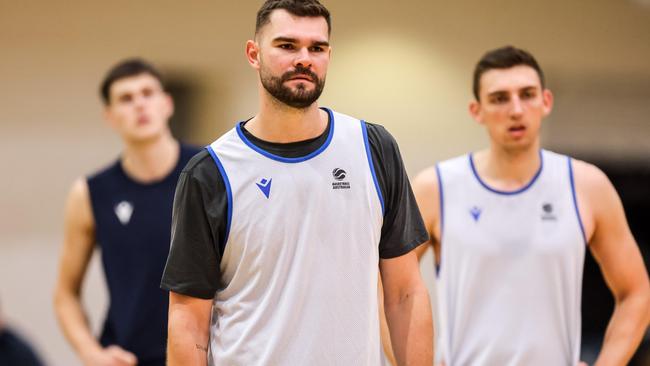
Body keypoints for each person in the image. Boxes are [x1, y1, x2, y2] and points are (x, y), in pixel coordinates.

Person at [160, 1, 433, 365]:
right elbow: (188, 321)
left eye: (316, 48)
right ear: (253, 54)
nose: (304, 58)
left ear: (328, 55)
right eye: (287, 46)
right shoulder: (210, 172)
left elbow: (404, 294)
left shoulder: (373, 148)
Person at [412, 45, 650, 365]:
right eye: (499, 98)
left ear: (546, 101)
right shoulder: (435, 187)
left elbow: (638, 293)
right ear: (476, 111)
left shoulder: (586, 185)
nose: (516, 109)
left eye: (527, 94)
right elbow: (386, 289)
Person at [53, 59, 200, 366]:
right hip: (129, 356)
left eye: (148, 93)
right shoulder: (91, 192)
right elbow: (65, 294)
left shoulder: (211, 172)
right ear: (110, 116)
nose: (140, 105)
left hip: (203, 356)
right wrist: (90, 352)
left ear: (167, 104)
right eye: (126, 98)